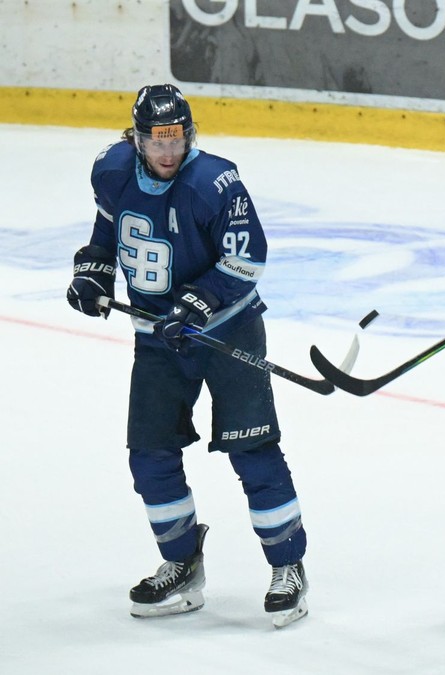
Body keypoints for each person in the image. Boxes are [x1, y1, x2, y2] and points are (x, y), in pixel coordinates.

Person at [65, 84, 309, 628]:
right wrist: (93, 271)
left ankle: (288, 568)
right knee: (149, 454)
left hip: (228, 333)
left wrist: (198, 303)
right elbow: (110, 232)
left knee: (253, 450)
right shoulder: (110, 170)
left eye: (177, 141)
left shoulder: (214, 182)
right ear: (138, 139)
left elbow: (248, 258)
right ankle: (182, 563)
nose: (168, 153)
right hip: (157, 337)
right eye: (157, 142)